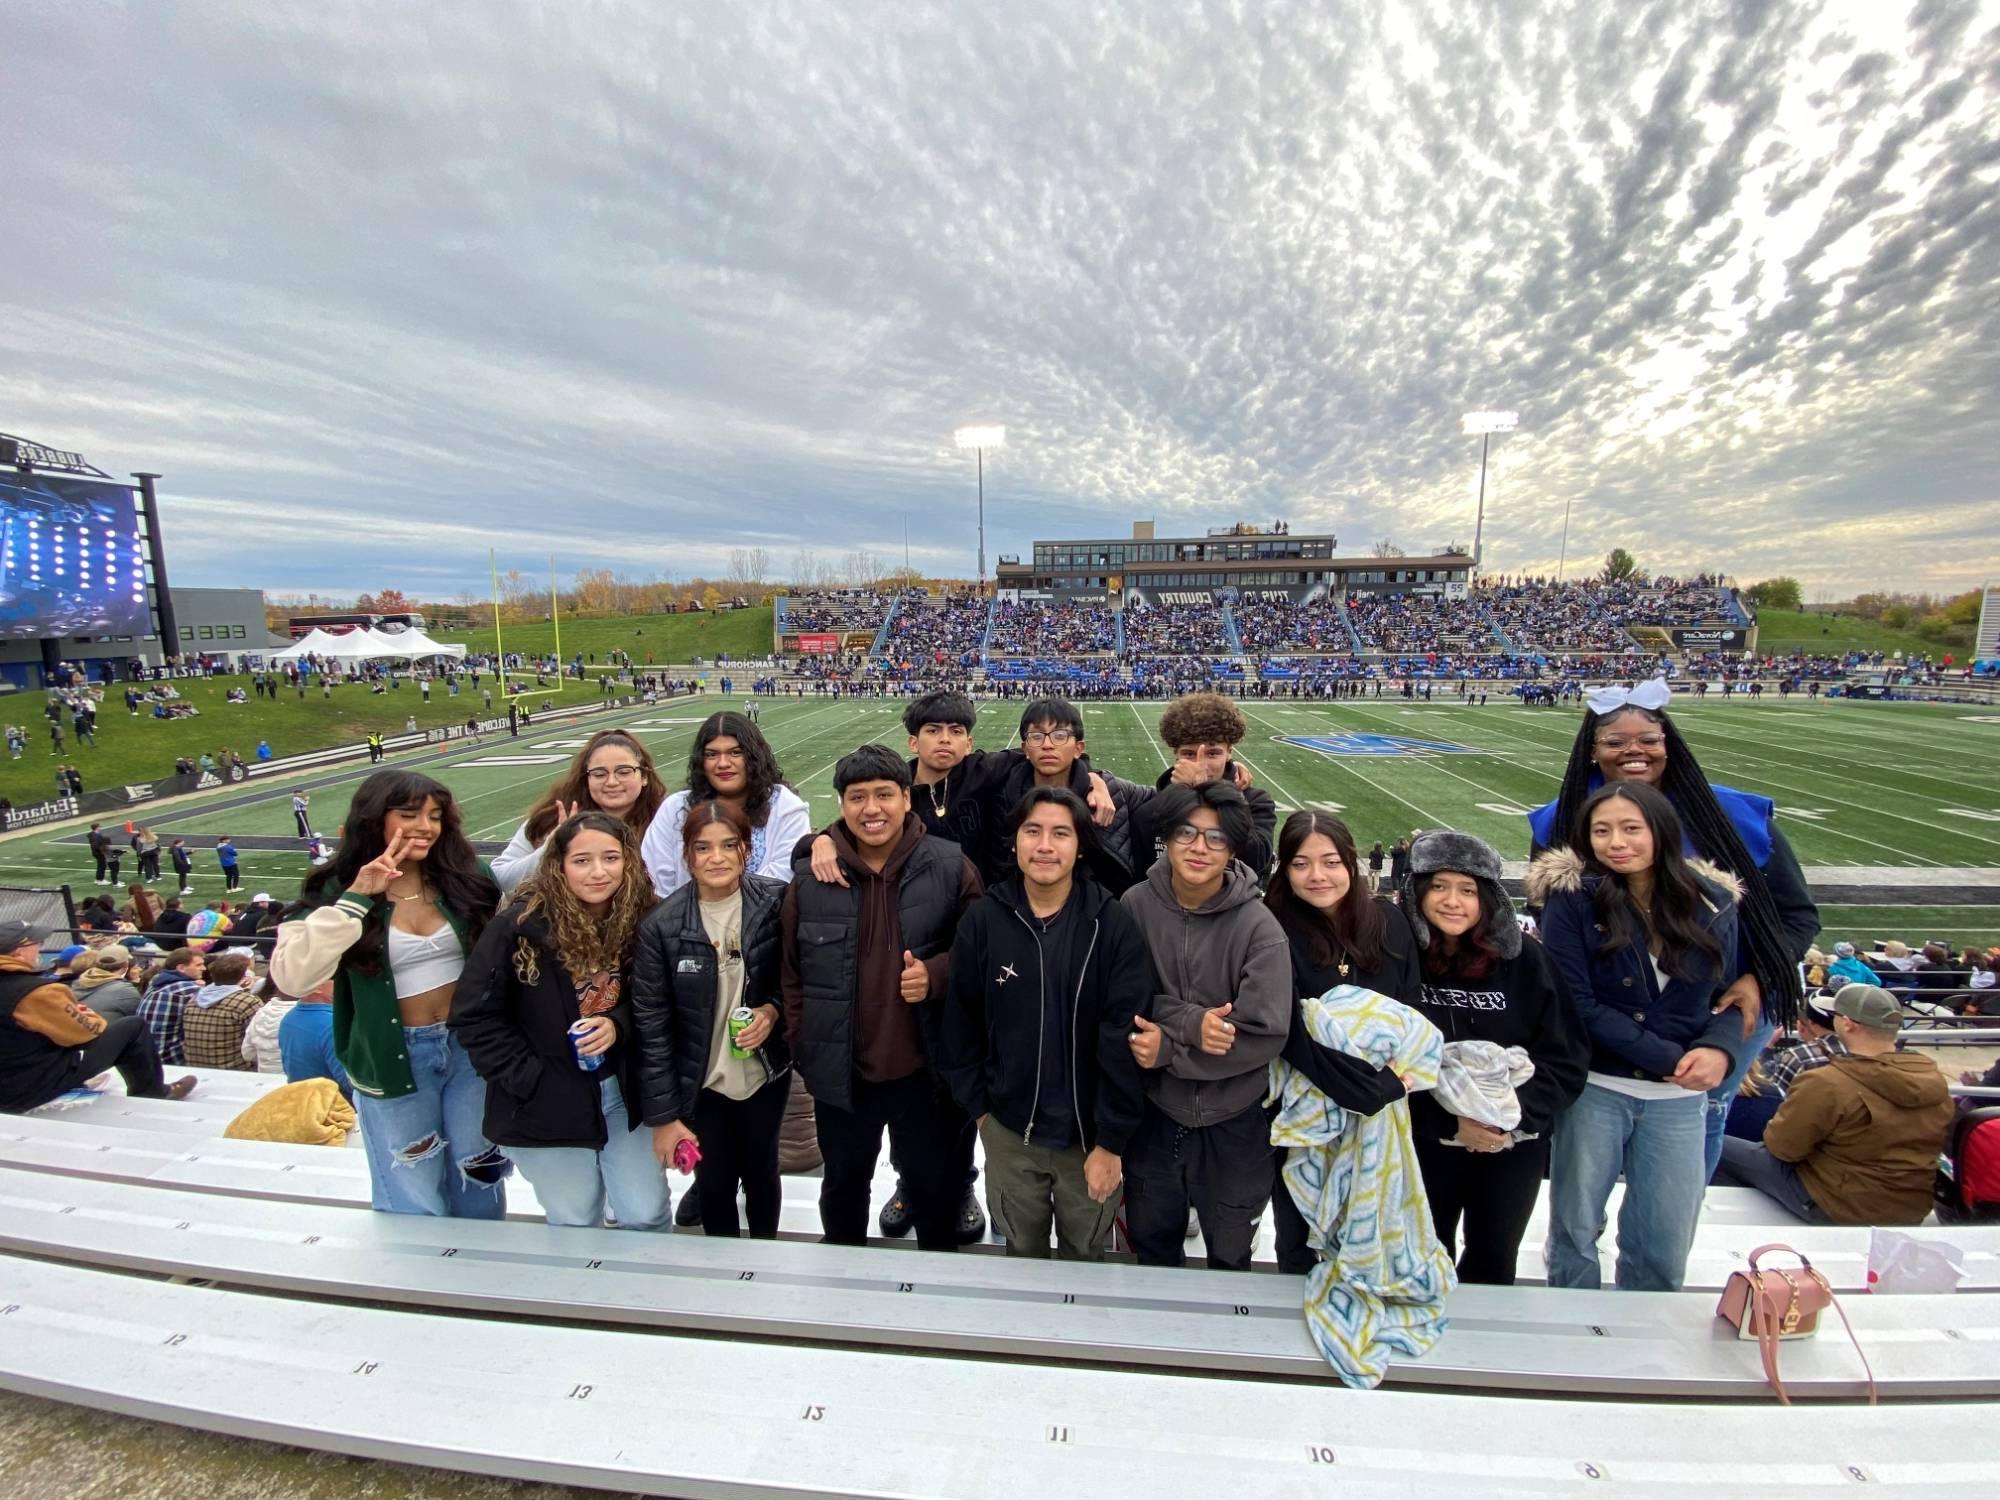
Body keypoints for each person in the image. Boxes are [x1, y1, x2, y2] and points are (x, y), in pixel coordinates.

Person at [1526, 680, 1815, 1178]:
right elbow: (1555, 927)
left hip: (1723, 1005)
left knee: (1702, 1119)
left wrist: (1760, 979)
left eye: (1648, 740)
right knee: (1592, 1136)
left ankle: (1673, 1238)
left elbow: (1798, 916)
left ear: (1669, 743)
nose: (1633, 751)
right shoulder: (1563, 821)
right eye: (1615, 742)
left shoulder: (1732, 814)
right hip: (1608, 1010)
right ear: (1592, 751)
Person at [1532, 781, 1752, 1292]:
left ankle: (1648, 1339)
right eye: (1602, 831)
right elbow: (1575, 1002)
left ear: (1661, 831)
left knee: (1664, 1235)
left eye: (1632, 828)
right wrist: (1669, 1057)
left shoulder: (1714, 901)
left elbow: (1727, 995)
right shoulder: (1574, 899)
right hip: (1599, 1085)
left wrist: (1721, 1048)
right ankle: (1569, 1328)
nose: (1617, 842)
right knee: (1575, 1228)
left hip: (1679, 1096)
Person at [272, 769, 509, 1219]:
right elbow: (293, 977)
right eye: (409, 814)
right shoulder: (336, 888)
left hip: (469, 1050)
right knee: (413, 1178)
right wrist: (359, 896)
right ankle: (421, 1281)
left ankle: (482, 1274)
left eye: (435, 816)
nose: (425, 826)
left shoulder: (467, 876)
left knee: (479, 1168)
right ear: (374, 819)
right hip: (394, 1052)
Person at [781, 744, 983, 1251]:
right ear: (842, 805)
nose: (871, 809)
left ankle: (934, 1295)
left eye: (884, 795)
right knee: (844, 1190)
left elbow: (982, 955)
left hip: (924, 1072)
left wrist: (936, 975)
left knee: (933, 1194)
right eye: (857, 797)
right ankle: (846, 1300)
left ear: (907, 799)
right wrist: (806, 1045)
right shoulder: (811, 878)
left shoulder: (951, 865)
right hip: (842, 1072)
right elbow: (790, 975)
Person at [937, 788, 1153, 1259]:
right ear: (1014, 841)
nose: (1045, 846)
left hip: (1088, 1141)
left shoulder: (1110, 924)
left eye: (1060, 833)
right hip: (1011, 1133)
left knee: (1086, 1254)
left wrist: (1111, 1141)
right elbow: (960, 1026)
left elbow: (1125, 1035)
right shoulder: (984, 921)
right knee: (1022, 1252)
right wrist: (984, 1114)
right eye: (1032, 831)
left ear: (1080, 845)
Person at [452, 811, 670, 1232]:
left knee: (646, 1213)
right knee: (575, 1219)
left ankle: (647, 1297)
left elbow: (665, 1001)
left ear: (628, 860)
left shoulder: (647, 919)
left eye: (610, 858)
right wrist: (530, 1078)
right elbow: (474, 1016)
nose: (598, 872)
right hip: (548, 1100)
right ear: (559, 865)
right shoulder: (518, 926)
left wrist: (617, 1025)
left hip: (624, 1094)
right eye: (582, 860)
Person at [1394, 830, 1587, 1285]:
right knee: (1422, 1250)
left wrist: (1507, 1121)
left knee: (1494, 1256)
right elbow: (1384, 1063)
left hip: (1509, 1145)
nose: (1452, 902)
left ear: (1490, 898)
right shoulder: (1398, 960)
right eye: (1438, 886)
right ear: (1417, 892)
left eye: (1467, 890)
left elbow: (1566, 1057)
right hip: (1425, 1140)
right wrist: (1449, 1124)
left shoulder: (1528, 962)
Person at [1120, 780, 1290, 1269]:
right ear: (1167, 838)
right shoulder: (1135, 906)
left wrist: (1171, 1049)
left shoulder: (1258, 926)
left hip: (1235, 1120)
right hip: (1155, 1112)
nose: (1199, 848)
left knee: (1231, 1252)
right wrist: (1193, 1023)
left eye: (1215, 838)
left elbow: (1264, 1031)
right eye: (1187, 834)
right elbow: (1123, 998)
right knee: (1152, 1246)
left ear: (1233, 847)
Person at [1260, 810, 1425, 1273]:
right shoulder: (1269, 926)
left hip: (1383, 1110)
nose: (1318, 876)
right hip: (1305, 1108)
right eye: (1301, 863)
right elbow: (1287, 1030)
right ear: (1284, 868)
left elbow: (1408, 1015)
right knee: (1299, 1235)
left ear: (1350, 863)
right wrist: (1362, 1090)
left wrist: (1384, 1086)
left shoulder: (1390, 923)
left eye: (1330, 862)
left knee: (1372, 1226)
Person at [632, 799, 793, 1239]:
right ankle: (726, 1274)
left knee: (763, 1171)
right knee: (715, 1181)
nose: (717, 858)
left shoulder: (774, 903)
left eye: (729, 846)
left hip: (763, 1073)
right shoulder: (661, 927)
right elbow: (652, 1028)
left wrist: (771, 1011)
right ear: (688, 855)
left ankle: (765, 1256)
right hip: (702, 1082)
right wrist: (664, 1116)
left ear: (747, 850)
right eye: (703, 848)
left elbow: (792, 980)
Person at [1716, 985, 1954, 1225]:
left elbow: (1782, 1148)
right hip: (1910, 1208)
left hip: (1837, 1207)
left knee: (1715, 1143)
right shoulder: (1932, 1079)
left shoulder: (1827, 1082)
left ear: (1848, 1024)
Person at [0, 920, 196, 1113]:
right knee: (132, 1027)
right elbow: (86, 1032)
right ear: (18, 951)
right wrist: (89, 1017)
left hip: (12, 1077)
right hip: (24, 1090)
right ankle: (154, 1093)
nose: (40, 948)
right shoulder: (35, 992)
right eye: (38, 943)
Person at [640, 712, 812, 894]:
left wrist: (728, 910)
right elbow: (655, 879)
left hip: (766, 919)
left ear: (754, 757)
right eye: (712, 754)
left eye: (735, 753)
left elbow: (782, 876)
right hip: (680, 920)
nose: (723, 763)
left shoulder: (786, 807)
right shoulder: (676, 809)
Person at [492, 730, 668, 896]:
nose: (612, 782)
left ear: (644, 776)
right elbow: (500, 879)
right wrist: (551, 848)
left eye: (623, 772)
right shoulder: (553, 817)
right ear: (586, 779)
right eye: (599, 774)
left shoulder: (667, 821)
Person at [1125, 694, 1277, 883]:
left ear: (1230, 752)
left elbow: (1257, 860)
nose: (1201, 764)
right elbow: (1144, 877)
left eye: (1213, 753)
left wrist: (1209, 793)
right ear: (1176, 754)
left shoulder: (1255, 801)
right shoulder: (1151, 811)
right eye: (1189, 753)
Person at [182, 952, 265, 1071]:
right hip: (236, 1070)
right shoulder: (247, 1001)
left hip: (194, 1067)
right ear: (244, 976)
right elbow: (260, 1039)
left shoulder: (193, 1000)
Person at [278, 981, 351, 1101]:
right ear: (317, 987)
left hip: (302, 1103)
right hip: (336, 1109)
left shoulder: (288, 1019)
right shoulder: (334, 1025)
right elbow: (351, 1083)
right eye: (336, 978)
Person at [138, 947, 205, 1065]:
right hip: (171, 1059)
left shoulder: (155, 982)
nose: (204, 968)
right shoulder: (190, 990)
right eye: (199, 965)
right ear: (181, 968)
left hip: (144, 1055)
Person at [71, 946, 145, 1024]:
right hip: (107, 1033)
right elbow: (142, 1017)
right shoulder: (124, 990)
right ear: (126, 964)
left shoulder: (78, 983)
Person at [242, 981, 296, 1074]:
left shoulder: (260, 1013)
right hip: (297, 1081)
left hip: (265, 1079)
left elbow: (247, 1054)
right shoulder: (307, 1016)